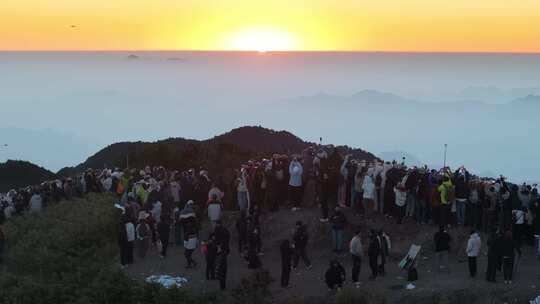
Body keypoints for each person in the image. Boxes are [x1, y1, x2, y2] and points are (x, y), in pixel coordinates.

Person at [180, 200, 199, 268]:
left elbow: (186, 236)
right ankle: (191, 263)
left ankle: (192, 263)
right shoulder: (194, 212)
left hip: (189, 241)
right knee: (188, 254)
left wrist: (185, 242)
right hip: (193, 239)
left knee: (187, 254)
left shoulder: (187, 228)